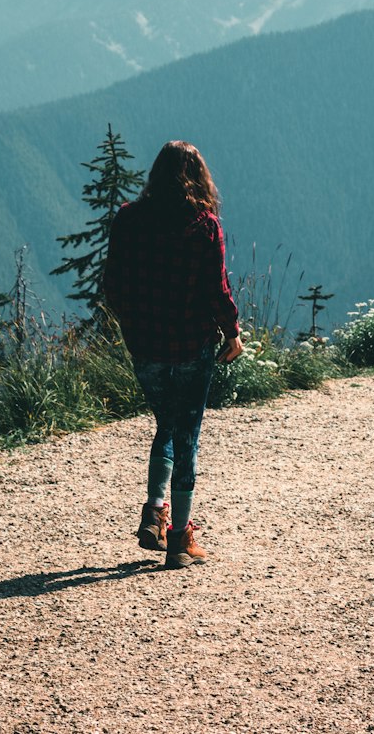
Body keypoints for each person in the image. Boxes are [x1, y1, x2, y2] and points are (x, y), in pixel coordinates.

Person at [103, 140, 243, 568]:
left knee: (166, 423)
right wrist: (232, 332)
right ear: (198, 177)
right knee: (187, 436)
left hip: (145, 347)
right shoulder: (204, 225)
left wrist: (132, 324)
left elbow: (112, 286)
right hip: (190, 346)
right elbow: (216, 289)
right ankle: (180, 538)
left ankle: (154, 511)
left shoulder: (128, 220)